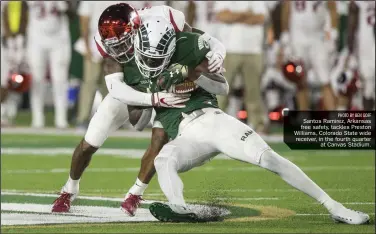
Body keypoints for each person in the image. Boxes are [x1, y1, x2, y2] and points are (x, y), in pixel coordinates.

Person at [130, 16, 370, 225]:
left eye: (156, 57)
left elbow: (222, 87)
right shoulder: (135, 74)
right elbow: (139, 123)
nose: (152, 62)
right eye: (148, 57)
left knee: (269, 159)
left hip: (214, 121)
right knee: (163, 159)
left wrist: (194, 76)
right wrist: (149, 98)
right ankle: (181, 210)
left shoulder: (187, 49)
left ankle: (335, 207)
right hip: (186, 135)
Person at [51, 3, 227, 217]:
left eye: (123, 43)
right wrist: (152, 98)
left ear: (135, 28)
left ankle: (135, 193)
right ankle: (69, 189)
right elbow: (116, 88)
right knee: (90, 142)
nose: (119, 50)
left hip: (165, 83)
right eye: (113, 45)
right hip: (133, 88)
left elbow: (201, 39)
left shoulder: (164, 19)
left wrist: (217, 52)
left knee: (160, 139)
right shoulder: (105, 41)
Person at [214, 1, 268, 133]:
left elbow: (261, 18)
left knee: (254, 91)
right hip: (229, 47)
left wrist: (235, 16)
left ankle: (258, 124)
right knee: (221, 90)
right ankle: (214, 123)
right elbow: (222, 16)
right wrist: (246, 14)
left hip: (253, 49)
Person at [280, 1, 338, 111]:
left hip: (318, 37)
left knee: (325, 80)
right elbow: (286, 8)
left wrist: (333, 33)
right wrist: (285, 35)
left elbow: (332, 8)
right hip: (297, 37)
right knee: (300, 80)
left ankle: (334, 121)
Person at [27, 1, 74, 128]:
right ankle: (37, 118)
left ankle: (61, 119)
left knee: (60, 80)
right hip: (36, 38)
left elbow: (73, 12)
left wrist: (66, 6)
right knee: (36, 79)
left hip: (60, 39)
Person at [75, 1, 121, 129]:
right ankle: (82, 119)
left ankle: (111, 119)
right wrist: (86, 45)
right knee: (89, 82)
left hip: (115, 43)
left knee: (111, 84)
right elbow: (84, 18)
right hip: (94, 41)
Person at [340, 1, 375, 110]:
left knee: (368, 89)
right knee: (367, 89)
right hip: (366, 47)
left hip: (366, 47)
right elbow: (351, 26)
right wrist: (350, 51)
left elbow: (351, 27)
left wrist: (350, 50)